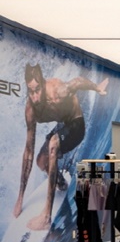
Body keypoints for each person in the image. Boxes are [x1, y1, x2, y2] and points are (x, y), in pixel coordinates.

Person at [13, 64, 109, 231]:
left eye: (37, 90)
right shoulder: (30, 110)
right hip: (62, 124)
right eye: (30, 91)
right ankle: (61, 183)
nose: (34, 97)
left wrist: (97, 87)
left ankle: (46, 217)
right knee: (41, 162)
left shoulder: (57, 91)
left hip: (76, 125)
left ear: (43, 85)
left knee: (53, 144)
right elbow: (28, 150)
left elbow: (77, 82)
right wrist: (20, 198)